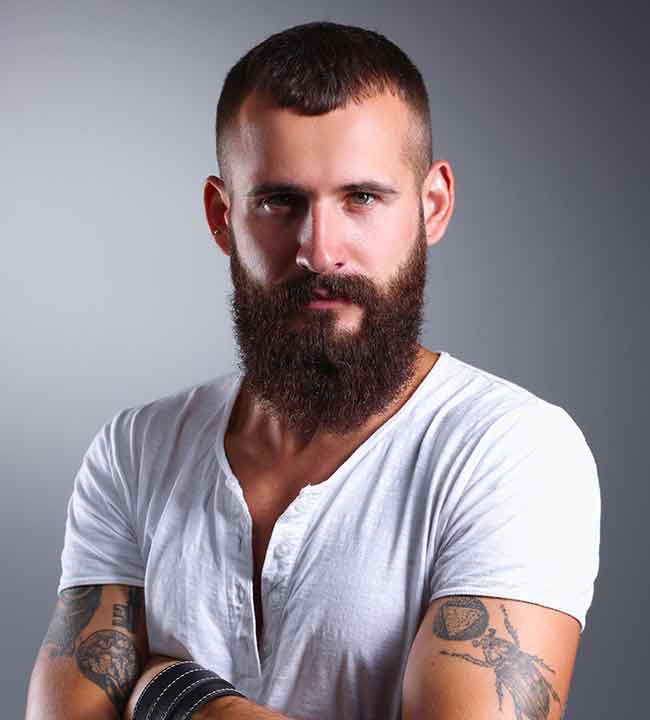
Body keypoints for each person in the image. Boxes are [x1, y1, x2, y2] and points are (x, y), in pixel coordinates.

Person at [25, 20, 600, 720]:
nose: (320, 250)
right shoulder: (136, 451)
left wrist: (174, 694)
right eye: (280, 201)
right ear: (221, 215)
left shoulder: (514, 453)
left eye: (362, 198)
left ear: (433, 207)